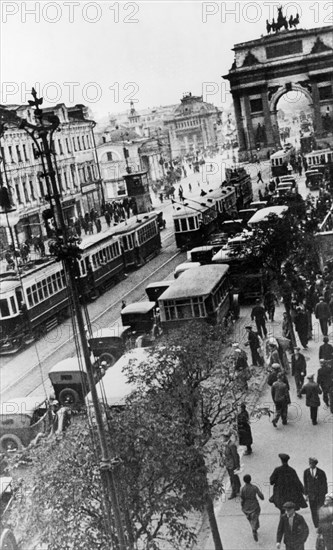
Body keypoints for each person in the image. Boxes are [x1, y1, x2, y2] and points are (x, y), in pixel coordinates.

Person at [303, 458, 328, 528]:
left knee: (320, 511)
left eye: (312, 463)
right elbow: (305, 484)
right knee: (313, 511)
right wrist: (306, 495)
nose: (310, 464)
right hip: (311, 496)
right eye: (310, 463)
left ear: (315, 464)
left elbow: (324, 484)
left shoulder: (321, 472)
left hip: (320, 496)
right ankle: (316, 526)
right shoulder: (306, 472)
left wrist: (324, 495)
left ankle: (321, 525)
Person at [240, 474, 264, 541]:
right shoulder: (254, 487)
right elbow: (261, 495)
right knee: (255, 517)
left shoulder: (242, 489)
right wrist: (262, 497)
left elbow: (242, 499)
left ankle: (254, 527)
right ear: (250, 479)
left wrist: (242, 506)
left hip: (246, 507)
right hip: (254, 506)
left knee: (251, 518)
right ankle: (254, 529)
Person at [222, 433, 241, 500]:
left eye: (223, 437)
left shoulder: (231, 445)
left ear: (227, 437)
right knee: (234, 477)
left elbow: (235, 456)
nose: (222, 439)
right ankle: (237, 488)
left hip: (232, 464)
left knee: (232, 478)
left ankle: (234, 492)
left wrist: (237, 465)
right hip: (228, 464)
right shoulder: (226, 444)